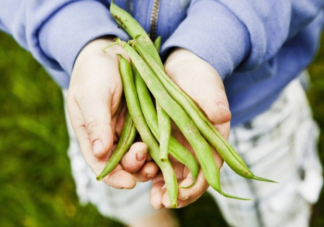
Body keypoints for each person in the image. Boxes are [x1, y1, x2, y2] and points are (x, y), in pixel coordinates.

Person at [1, 0, 324, 226]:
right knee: (120, 173)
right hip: (102, 95)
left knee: (269, 206)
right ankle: (150, 221)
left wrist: (215, 41)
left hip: (252, 102)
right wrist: (80, 38)